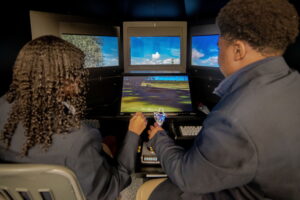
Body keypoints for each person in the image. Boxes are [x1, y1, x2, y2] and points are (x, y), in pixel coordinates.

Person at [142, 0, 300, 199]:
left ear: (238, 50)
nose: (217, 57)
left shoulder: (233, 118)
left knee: (145, 191)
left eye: (219, 48)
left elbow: (187, 177)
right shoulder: (293, 82)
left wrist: (158, 137)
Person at [0, 35, 148, 200]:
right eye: (76, 74)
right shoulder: (79, 139)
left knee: (106, 144)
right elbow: (110, 188)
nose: (79, 82)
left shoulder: (3, 106)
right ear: (62, 80)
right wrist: (133, 134)